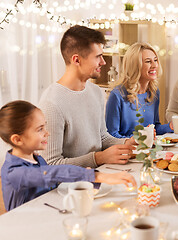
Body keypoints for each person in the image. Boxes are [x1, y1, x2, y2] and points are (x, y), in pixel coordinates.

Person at [0, 100, 137, 211]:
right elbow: (52, 174)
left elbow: (54, 183)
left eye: (45, 127)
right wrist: (99, 176)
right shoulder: (14, 172)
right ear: (17, 140)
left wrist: (84, 178)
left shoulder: (37, 158)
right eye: (40, 129)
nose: (47, 133)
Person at [39, 25, 136, 169]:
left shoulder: (96, 91)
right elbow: (51, 165)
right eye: (98, 56)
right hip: (71, 188)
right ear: (76, 60)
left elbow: (102, 137)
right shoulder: (51, 103)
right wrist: (98, 158)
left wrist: (126, 143)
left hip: (98, 176)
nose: (103, 62)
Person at [105, 43, 173, 138]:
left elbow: (154, 128)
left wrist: (170, 126)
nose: (154, 65)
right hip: (126, 150)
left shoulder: (154, 92)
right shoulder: (117, 95)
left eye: (155, 60)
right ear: (135, 65)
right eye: (148, 61)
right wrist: (137, 141)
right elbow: (111, 136)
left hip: (147, 150)